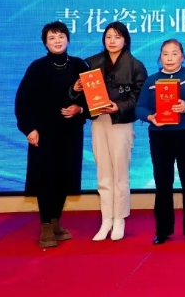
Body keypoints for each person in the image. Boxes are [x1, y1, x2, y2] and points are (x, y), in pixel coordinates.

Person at [15, 22, 89, 248]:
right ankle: (46, 226)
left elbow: (94, 99)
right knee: (45, 178)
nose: (57, 41)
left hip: (71, 133)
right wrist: (29, 128)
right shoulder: (37, 67)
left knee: (64, 177)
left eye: (61, 36)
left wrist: (80, 109)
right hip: (44, 133)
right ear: (45, 43)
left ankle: (56, 222)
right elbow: (22, 101)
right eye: (52, 38)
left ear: (68, 39)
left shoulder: (80, 65)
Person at [74, 21, 147, 241]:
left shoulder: (135, 66)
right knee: (103, 172)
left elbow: (139, 98)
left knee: (120, 174)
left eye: (117, 37)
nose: (112, 41)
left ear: (125, 40)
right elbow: (80, 95)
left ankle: (120, 219)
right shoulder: (91, 63)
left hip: (121, 123)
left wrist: (119, 107)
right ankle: (106, 218)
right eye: (108, 37)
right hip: (99, 121)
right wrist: (75, 89)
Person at [136, 39, 185, 245]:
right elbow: (140, 107)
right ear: (160, 57)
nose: (169, 58)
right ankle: (163, 230)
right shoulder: (152, 80)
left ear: (182, 57)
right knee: (162, 183)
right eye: (165, 54)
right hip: (160, 136)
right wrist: (150, 117)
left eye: (174, 53)